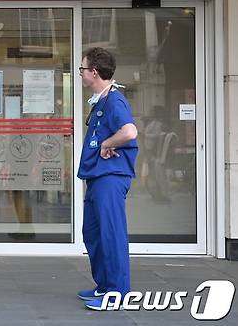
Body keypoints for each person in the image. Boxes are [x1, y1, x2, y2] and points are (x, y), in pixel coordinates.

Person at [76, 48, 138, 310]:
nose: (80, 73)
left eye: (82, 68)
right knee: (92, 232)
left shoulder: (115, 101)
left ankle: (117, 293)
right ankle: (104, 285)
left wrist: (107, 144)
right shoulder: (101, 100)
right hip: (97, 177)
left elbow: (130, 132)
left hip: (110, 177)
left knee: (111, 234)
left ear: (94, 72)